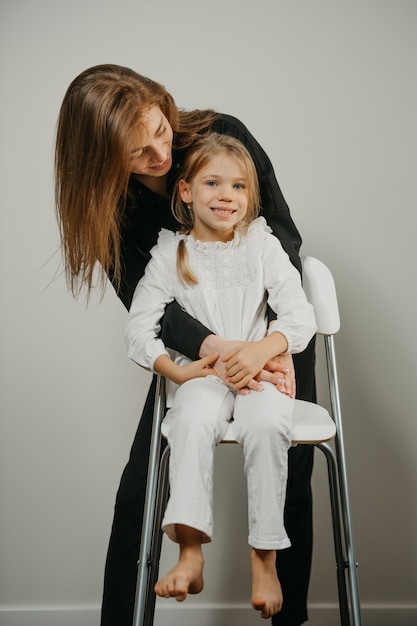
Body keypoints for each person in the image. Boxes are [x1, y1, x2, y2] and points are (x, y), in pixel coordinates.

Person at [54, 64, 317, 626]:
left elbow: (284, 241)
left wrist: (272, 347)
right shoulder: (114, 207)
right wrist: (216, 352)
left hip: (274, 334)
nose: (157, 152)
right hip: (194, 353)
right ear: (103, 164)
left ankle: (287, 614)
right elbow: (148, 308)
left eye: (159, 129)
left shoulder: (224, 136)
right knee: (144, 482)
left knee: (289, 462)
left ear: (163, 104)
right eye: (135, 152)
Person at [125, 133, 317, 618]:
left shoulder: (261, 245)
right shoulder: (171, 254)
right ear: (186, 191)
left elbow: (300, 315)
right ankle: (190, 550)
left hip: (260, 373)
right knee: (186, 421)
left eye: (238, 186)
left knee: (269, 424)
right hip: (205, 379)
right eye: (213, 183)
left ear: (250, 198)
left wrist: (263, 350)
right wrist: (180, 373)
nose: (227, 195)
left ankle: (264, 557)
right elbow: (138, 329)